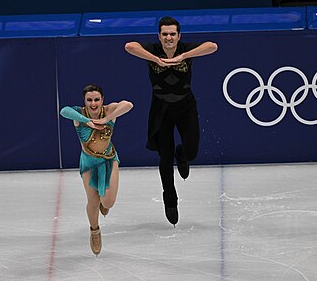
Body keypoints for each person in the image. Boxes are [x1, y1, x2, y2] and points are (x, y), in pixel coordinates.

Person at [124, 16, 218, 227]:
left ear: (179, 36)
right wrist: (155, 59)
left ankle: (182, 156)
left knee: (192, 150)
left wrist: (183, 56)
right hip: (161, 110)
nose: (168, 38)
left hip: (186, 107)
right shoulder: (153, 50)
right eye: (164, 34)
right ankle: (170, 198)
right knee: (164, 158)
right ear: (159, 36)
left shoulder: (185, 48)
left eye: (172, 34)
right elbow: (129, 46)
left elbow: (212, 46)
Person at [59, 84, 133, 256]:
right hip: (88, 163)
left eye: (97, 99)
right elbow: (64, 111)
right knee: (93, 202)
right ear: (84, 102)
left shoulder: (108, 111)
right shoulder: (79, 115)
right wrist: (89, 122)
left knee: (108, 203)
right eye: (89, 100)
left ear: (102, 100)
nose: (93, 104)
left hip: (109, 159)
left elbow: (128, 105)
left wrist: (106, 119)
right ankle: (94, 231)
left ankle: (103, 201)